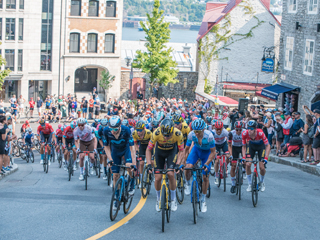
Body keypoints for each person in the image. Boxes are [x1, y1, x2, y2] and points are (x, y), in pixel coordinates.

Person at [146, 118, 184, 212]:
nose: (166, 137)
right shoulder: (156, 133)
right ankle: (158, 199)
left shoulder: (178, 133)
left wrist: (178, 164)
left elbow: (181, 151)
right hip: (159, 152)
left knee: (171, 174)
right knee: (158, 177)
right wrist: (149, 164)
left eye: (169, 135)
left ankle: (173, 199)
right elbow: (148, 150)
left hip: (171, 152)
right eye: (165, 135)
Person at [183, 119, 216, 213]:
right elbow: (186, 150)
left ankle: (203, 200)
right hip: (196, 151)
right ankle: (188, 184)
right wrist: (184, 162)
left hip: (207, 153)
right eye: (195, 131)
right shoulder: (191, 134)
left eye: (198, 131)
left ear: (203, 129)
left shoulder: (209, 135)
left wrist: (206, 164)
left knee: (205, 176)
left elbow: (213, 152)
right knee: (188, 167)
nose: (196, 133)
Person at [103, 116, 137, 205]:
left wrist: (133, 163)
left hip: (126, 150)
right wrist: (110, 159)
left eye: (116, 129)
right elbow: (106, 146)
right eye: (111, 129)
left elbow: (132, 148)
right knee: (115, 176)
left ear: (120, 126)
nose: (113, 131)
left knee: (129, 167)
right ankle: (117, 197)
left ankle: (132, 182)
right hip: (115, 151)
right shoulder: (106, 130)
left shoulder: (126, 130)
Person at [242, 120, 270, 192]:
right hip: (251, 147)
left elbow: (268, 146)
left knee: (262, 167)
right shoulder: (245, 133)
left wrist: (266, 158)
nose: (249, 130)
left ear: (255, 129)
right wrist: (243, 157)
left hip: (261, 147)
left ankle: (261, 182)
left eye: (251, 129)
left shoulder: (260, 133)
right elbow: (244, 146)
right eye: (248, 128)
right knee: (248, 164)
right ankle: (250, 184)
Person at [132, 120, 152, 187]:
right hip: (142, 147)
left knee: (152, 161)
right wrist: (137, 150)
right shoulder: (134, 133)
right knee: (141, 163)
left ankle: (150, 174)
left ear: (144, 129)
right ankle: (141, 178)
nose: (138, 132)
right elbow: (135, 143)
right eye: (137, 130)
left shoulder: (149, 133)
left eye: (140, 130)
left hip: (149, 146)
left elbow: (153, 144)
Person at [228, 121, 246, 193]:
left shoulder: (245, 132)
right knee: (233, 166)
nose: (238, 131)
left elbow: (247, 144)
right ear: (235, 129)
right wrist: (231, 155)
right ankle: (233, 184)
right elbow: (229, 145)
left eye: (240, 129)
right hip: (234, 147)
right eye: (237, 129)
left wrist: (245, 156)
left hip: (243, 147)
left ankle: (243, 171)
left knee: (245, 161)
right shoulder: (231, 133)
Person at [212, 120, 230, 185]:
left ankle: (225, 166)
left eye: (220, 129)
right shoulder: (213, 133)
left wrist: (229, 150)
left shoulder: (225, 132)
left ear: (222, 128)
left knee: (228, 156)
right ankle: (216, 176)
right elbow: (211, 143)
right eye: (217, 129)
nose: (219, 131)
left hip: (223, 143)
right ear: (215, 128)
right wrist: (214, 151)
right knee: (216, 161)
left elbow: (229, 141)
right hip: (216, 145)